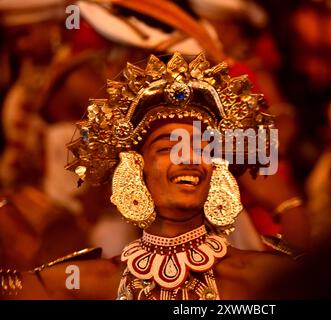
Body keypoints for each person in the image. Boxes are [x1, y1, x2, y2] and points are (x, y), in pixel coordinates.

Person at [0, 52, 300, 300]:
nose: (189, 160)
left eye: (202, 148)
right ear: (135, 166)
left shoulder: (259, 277)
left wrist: (290, 205)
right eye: (169, 147)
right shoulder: (91, 280)